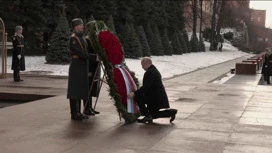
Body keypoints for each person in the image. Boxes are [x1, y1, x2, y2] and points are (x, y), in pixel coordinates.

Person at [127, 57, 178, 123]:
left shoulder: (150, 72)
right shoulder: (153, 70)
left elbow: (146, 87)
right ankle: (170, 113)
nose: (142, 67)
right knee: (154, 114)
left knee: (138, 96)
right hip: (156, 97)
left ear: (146, 63)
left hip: (154, 98)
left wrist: (134, 93)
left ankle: (148, 116)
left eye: (142, 65)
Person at [67, 18, 98, 120]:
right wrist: (94, 57)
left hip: (82, 65)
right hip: (76, 66)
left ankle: (79, 112)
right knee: (75, 90)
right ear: (76, 26)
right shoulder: (74, 38)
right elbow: (80, 53)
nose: (82, 27)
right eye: (81, 25)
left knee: (80, 89)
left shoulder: (82, 38)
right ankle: (74, 113)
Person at [83, 19, 101, 116]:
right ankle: (86, 108)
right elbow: (87, 55)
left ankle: (90, 107)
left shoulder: (95, 40)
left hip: (95, 67)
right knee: (88, 88)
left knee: (92, 87)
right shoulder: (87, 39)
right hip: (90, 66)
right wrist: (88, 70)